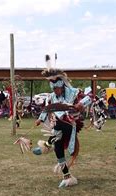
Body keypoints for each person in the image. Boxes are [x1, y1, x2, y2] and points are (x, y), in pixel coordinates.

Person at [32, 55, 92, 188]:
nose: (55, 91)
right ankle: (67, 177)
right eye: (53, 88)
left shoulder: (74, 92)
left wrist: (81, 104)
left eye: (56, 88)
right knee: (58, 150)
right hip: (58, 126)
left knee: (60, 125)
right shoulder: (52, 96)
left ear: (62, 85)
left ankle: (46, 145)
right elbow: (48, 109)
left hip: (71, 123)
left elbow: (91, 97)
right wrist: (40, 119)